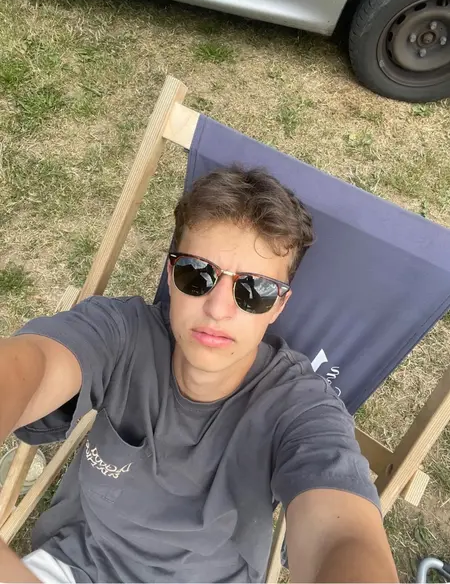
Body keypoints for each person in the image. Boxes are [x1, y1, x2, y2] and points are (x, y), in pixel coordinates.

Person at [0, 166, 398, 583]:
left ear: (279, 306)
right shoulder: (121, 335)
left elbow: (342, 535)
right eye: (197, 274)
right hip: (78, 566)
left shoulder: (298, 408)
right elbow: (33, 365)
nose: (218, 309)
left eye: (254, 290)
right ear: (171, 276)